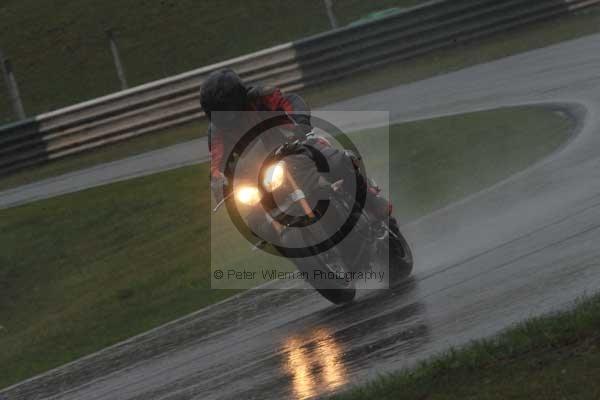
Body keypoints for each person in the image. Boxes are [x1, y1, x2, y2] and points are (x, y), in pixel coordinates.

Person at [200, 68, 397, 233]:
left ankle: (370, 201)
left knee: (337, 161)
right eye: (217, 112)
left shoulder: (261, 97)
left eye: (227, 109)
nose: (226, 118)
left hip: (294, 147)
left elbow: (291, 102)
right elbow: (217, 163)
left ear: (238, 98)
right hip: (261, 174)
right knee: (256, 222)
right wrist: (219, 184)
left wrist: (300, 123)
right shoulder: (217, 132)